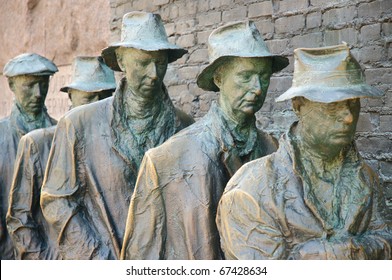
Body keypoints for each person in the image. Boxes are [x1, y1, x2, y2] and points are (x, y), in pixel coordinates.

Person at [121, 21, 289, 260]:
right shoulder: (166, 160)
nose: (258, 88)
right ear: (219, 78)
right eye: (245, 76)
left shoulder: (274, 150)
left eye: (263, 77)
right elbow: (140, 256)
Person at [40, 12, 194, 260]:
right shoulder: (78, 124)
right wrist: (97, 257)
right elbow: (57, 202)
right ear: (121, 61)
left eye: (161, 63)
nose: (154, 74)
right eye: (143, 62)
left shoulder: (185, 126)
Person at [216, 44, 392, 260]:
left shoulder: (366, 178)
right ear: (298, 105)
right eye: (332, 104)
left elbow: (386, 241)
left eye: (353, 102)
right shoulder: (251, 188)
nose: (348, 117)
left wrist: (329, 253)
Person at [6, 56, 116, 260]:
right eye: (88, 97)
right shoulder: (39, 143)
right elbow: (20, 220)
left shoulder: (114, 148)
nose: (97, 105)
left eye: (104, 97)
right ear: (71, 97)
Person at [0, 53, 58, 259]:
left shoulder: (60, 134)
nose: (38, 93)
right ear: (12, 85)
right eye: (29, 85)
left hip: (53, 255)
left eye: (43, 84)